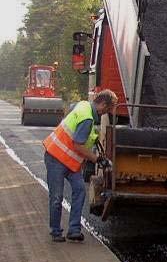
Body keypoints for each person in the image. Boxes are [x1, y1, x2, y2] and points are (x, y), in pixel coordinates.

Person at [43, 89, 117, 242]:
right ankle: (56, 232)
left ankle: (74, 230)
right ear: (102, 104)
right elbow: (78, 145)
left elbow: (73, 114)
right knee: (57, 196)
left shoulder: (83, 105)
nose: (107, 113)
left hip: (69, 162)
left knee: (79, 190)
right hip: (56, 157)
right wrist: (97, 160)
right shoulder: (88, 119)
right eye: (108, 109)